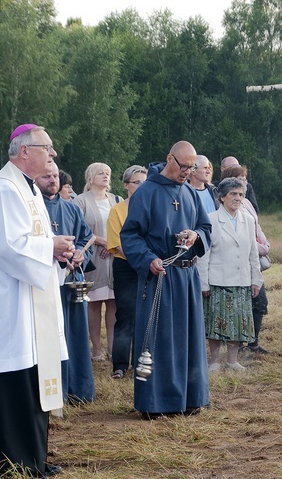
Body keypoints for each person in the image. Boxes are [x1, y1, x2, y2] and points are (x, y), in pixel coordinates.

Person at [0, 124, 74, 478]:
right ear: (24, 151)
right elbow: (5, 246)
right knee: (12, 386)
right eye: (47, 147)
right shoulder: (3, 189)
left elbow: (32, 239)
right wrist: (48, 248)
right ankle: (8, 462)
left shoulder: (30, 191)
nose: (53, 154)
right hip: (8, 308)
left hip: (30, 303)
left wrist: (57, 248)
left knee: (33, 383)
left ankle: (32, 458)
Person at [120, 140, 212, 417]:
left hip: (187, 277)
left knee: (189, 338)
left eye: (192, 167)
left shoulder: (190, 193)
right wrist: (149, 259)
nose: (187, 172)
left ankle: (191, 398)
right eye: (184, 166)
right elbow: (130, 235)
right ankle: (155, 403)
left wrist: (196, 236)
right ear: (169, 159)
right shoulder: (146, 192)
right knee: (159, 340)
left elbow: (205, 227)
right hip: (160, 276)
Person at [36, 162, 96, 403]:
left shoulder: (71, 209)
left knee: (76, 335)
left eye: (54, 177)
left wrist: (81, 253)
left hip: (73, 282)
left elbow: (85, 237)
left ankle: (79, 390)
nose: (52, 180)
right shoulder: (33, 209)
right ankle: (54, 392)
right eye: (46, 176)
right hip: (46, 284)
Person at [198, 178, 263, 371]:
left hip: (242, 280)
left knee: (238, 322)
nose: (238, 198)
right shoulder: (210, 219)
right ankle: (215, 361)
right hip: (218, 280)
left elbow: (253, 252)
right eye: (233, 194)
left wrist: (256, 279)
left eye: (241, 194)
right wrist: (204, 283)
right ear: (222, 196)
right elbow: (204, 255)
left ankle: (232, 361)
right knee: (215, 323)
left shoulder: (249, 220)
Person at [219, 165, 271, 354]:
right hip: (234, 264)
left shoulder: (247, 203)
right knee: (238, 305)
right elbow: (238, 237)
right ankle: (238, 345)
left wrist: (265, 244)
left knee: (260, 302)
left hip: (253, 261)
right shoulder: (222, 208)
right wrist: (258, 248)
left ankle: (253, 342)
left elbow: (256, 228)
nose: (244, 181)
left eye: (245, 178)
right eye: (239, 177)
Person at [74, 163, 122, 362]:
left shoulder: (116, 200)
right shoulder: (80, 201)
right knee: (93, 303)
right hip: (93, 256)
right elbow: (78, 228)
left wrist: (112, 244)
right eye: (101, 173)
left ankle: (112, 347)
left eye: (108, 173)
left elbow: (122, 226)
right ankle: (96, 349)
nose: (105, 176)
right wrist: (103, 241)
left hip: (114, 256)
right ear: (90, 176)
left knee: (113, 302)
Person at [106, 165, 147, 379]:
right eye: (136, 182)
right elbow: (119, 244)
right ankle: (120, 365)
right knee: (125, 315)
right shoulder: (117, 211)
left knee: (146, 315)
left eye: (144, 182)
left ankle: (143, 361)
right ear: (126, 186)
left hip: (149, 266)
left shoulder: (151, 208)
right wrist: (144, 259)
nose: (140, 187)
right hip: (126, 267)